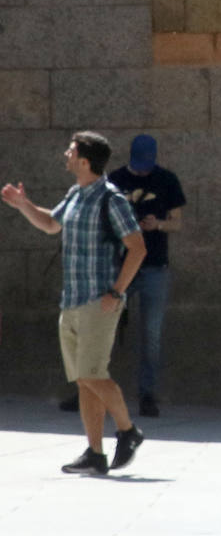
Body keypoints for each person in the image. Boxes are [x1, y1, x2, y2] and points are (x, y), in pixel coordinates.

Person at [3, 132, 149, 475]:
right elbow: (52, 224)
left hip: (99, 303)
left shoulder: (110, 199)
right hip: (71, 301)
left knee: (91, 374)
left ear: (84, 160)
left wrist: (116, 293)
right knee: (84, 380)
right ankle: (95, 453)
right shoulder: (75, 194)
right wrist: (24, 205)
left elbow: (138, 247)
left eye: (71, 150)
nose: (66, 154)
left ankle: (128, 430)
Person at [107, 134, 186, 418]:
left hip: (155, 268)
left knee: (151, 335)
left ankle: (147, 394)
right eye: (138, 165)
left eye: (146, 165)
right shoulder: (114, 180)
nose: (142, 170)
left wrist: (158, 224)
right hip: (120, 266)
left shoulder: (166, 180)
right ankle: (90, 388)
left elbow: (177, 223)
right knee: (101, 329)